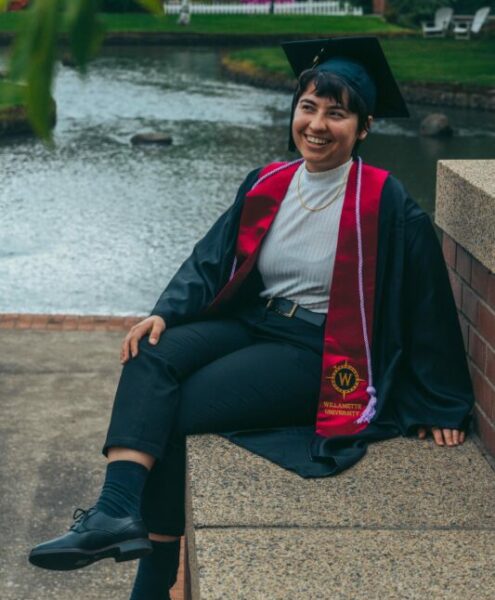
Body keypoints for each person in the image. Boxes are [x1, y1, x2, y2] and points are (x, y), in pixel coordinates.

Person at [28, 36, 474, 599]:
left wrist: (442, 400)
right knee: (150, 356)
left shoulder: (386, 202)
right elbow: (210, 259)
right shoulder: (269, 182)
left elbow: (427, 303)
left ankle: (153, 575)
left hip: (318, 347)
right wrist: (164, 313)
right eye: (308, 107)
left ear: (363, 129)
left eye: (337, 113)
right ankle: (112, 515)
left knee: (178, 409)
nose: (316, 124)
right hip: (254, 321)